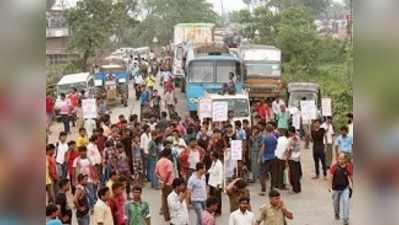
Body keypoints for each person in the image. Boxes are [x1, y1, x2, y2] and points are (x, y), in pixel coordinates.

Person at [329, 153, 353, 225]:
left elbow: (351, 176)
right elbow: (331, 177)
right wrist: (329, 187)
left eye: (342, 158)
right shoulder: (334, 167)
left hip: (345, 188)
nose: (341, 160)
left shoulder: (348, 166)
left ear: (345, 159)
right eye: (340, 158)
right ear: (337, 159)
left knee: (346, 203)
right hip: (335, 189)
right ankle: (336, 214)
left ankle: (345, 219)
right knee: (336, 204)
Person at [155, 148, 175, 222]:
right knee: (170, 199)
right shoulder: (168, 162)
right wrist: (165, 181)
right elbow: (169, 173)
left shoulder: (159, 162)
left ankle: (166, 216)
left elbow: (156, 173)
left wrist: (161, 179)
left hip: (162, 182)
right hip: (168, 183)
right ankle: (170, 215)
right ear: (169, 154)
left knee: (164, 198)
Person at [259, 124, 278, 194]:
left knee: (262, 174)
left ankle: (263, 189)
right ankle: (272, 188)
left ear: (266, 130)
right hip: (273, 157)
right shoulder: (275, 138)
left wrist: (259, 157)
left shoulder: (265, 138)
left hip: (266, 158)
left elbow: (263, 148)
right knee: (273, 174)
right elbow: (276, 147)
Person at [287, 127, 302, 193]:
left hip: (292, 157)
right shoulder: (298, 137)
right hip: (297, 157)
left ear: (290, 132)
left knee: (293, 174)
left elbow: (290, 150)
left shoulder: (292, 139)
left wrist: (287, 158)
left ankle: (295, 189)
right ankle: (298, 188)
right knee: (297, 173)